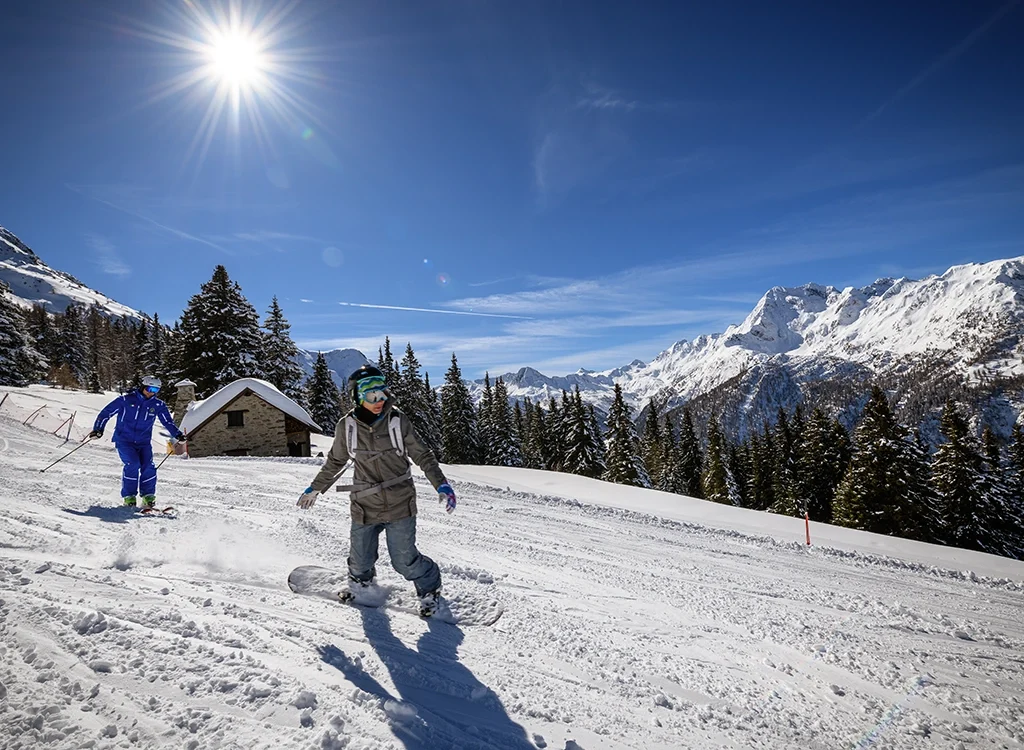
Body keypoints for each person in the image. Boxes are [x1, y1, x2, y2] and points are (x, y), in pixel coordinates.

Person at [297, 364, 457, 616]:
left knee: (405, 562)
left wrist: (441, 483)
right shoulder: (347, 426)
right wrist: (315, 488)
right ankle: (361, 584)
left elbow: (422, 455)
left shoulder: (397, 421)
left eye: (382, 393)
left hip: (399, 502)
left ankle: (429, 588)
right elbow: (335, 461)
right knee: (360, 561)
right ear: (358, 397)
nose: (379, 400)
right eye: (372, 395)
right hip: (364, 503)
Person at [89, 375, 185, 509]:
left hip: (144, 442)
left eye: (156, 390)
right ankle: (129, 497)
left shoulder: (157, 405)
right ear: (143, 386)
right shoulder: (125, 400)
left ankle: (148, 497)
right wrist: (98, 429)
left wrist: (178, 434)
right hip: (124, 440)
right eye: (150, 388)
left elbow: (167, 422)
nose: (152, 392)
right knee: (132, 464)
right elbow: (106, 413)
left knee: (148, 466)